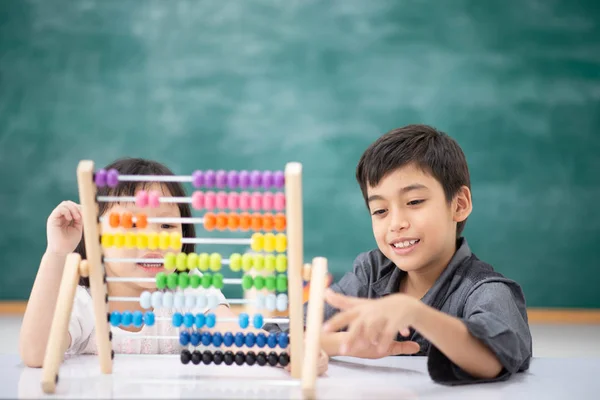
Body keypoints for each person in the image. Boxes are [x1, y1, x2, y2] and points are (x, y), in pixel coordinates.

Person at [319, 124, 532, 385]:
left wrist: (416, 313)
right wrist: (341, 344)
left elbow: (494, 358)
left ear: (459, 204)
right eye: (380, 211)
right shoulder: (372, 271)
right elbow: (291, 334)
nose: (396, 223)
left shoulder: (486, 290)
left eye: (414, 202)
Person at [20, 158, 239, 365]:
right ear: (95, 233)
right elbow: (37, 355)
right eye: (132, 225)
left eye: (167, 226)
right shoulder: (83, 301)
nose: (154, 240)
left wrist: (272, 352)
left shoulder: (186, 288)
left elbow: (235, 334)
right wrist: (57, 253)